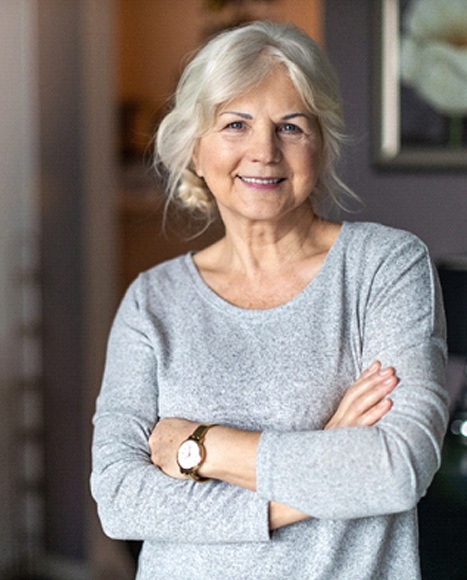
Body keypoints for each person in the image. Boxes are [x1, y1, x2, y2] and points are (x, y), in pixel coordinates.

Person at [91, 20, 448, 579]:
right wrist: (326, 460)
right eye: (235, 124)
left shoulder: (385, 266)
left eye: (291, 126)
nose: (264, 151)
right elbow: (119, 499)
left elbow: (398, 467)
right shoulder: (151, 302)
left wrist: (203, 449)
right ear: (194, 149)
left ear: (321, 143)